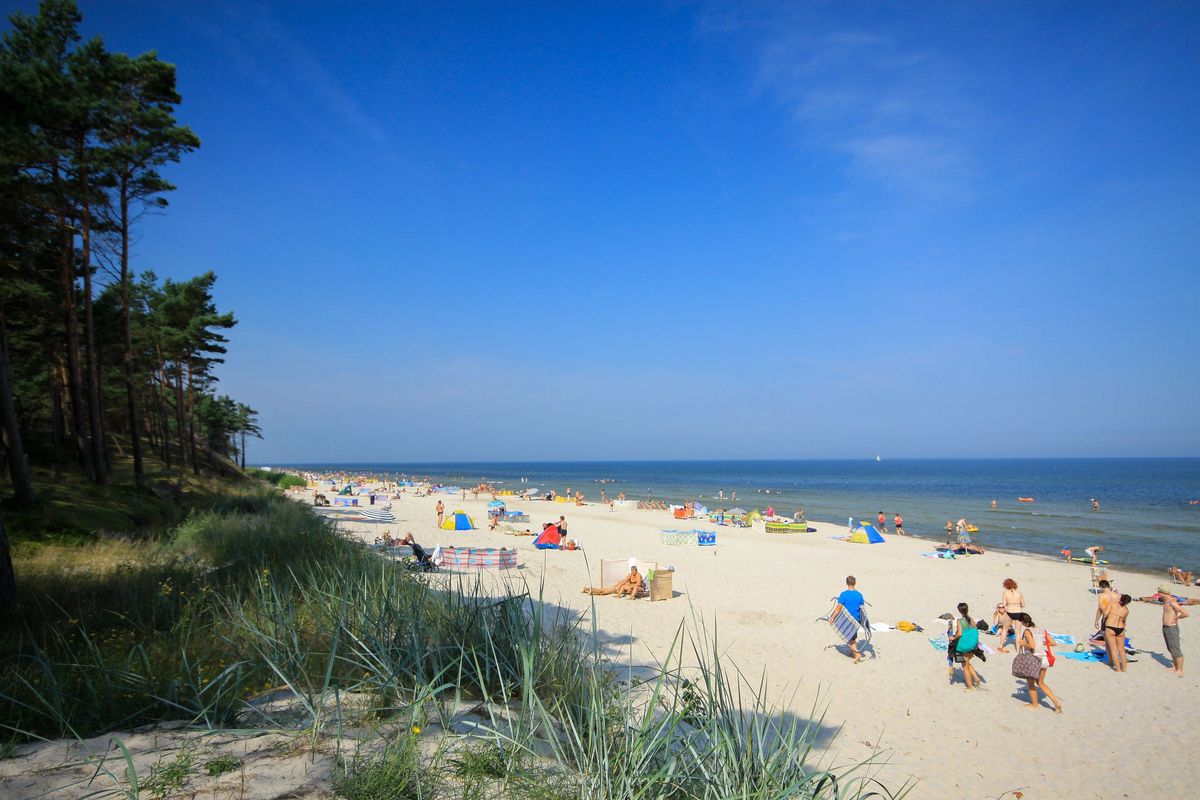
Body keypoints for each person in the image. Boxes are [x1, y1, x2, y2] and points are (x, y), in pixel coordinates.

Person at [1011, 613, 1062, 712]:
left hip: (1034, 659)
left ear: (1021, 621)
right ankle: (1056, 702)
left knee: (1030, 683)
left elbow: (1032, 646)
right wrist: (1040, 643)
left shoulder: (1027, 631)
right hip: (1044, 658)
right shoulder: (1041, 629)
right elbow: (1053, 643)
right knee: (1041, 683)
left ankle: (1035, 704)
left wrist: (1023, 643)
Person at [1158, 585, 1190, 675]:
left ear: (1162, 593)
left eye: (1159, 592)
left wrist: (1177, 618)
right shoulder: (1167, 600)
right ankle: (1175, 667)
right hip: (1165, 627)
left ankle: (1180, 670)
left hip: (1171, 628)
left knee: (1176, 649)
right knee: (1170, 648)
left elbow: (1186, 613)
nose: (1158, 594)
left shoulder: (1172, 602)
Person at [837, 576, 866, 665]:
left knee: (850, 638)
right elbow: (862, 608)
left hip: (848, 620)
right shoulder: (859, 595)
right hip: (857, 620)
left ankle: (857, 654)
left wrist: (833, 617)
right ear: (855, 583)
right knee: (852, 636)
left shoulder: (843, 594)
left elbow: (838, 607)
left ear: (847, 583)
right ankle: (852, 652)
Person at [954, 603, 981, 689]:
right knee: (967, 661)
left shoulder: (960, 621)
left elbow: (959, 633)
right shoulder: (972, 620)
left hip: (965, 645)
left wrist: (952, 638)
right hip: (973, 644)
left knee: (964, 666)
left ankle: (970, 687)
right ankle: (976, 678)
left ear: (959, 611)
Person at [996, 578, 1026, 653]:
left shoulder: (1005, 593)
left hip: (1010, 612)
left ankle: (1000, 646)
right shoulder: (1019, 593)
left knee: (1005, 629)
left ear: (1006, 585)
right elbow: (1023, 604)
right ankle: (1018, 649)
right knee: (1018, 632)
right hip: (1019, 612)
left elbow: (1004, 604)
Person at [1104, 594, 1132, 672]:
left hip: (1110, 627)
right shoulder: (1126, 610)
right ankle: (1124, 669)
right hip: (1120, 629)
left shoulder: (1112, 604)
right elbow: (1124, 620)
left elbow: (1105, 615)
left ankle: (1118, 669)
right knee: (1122, 650)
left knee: (1113, 649)